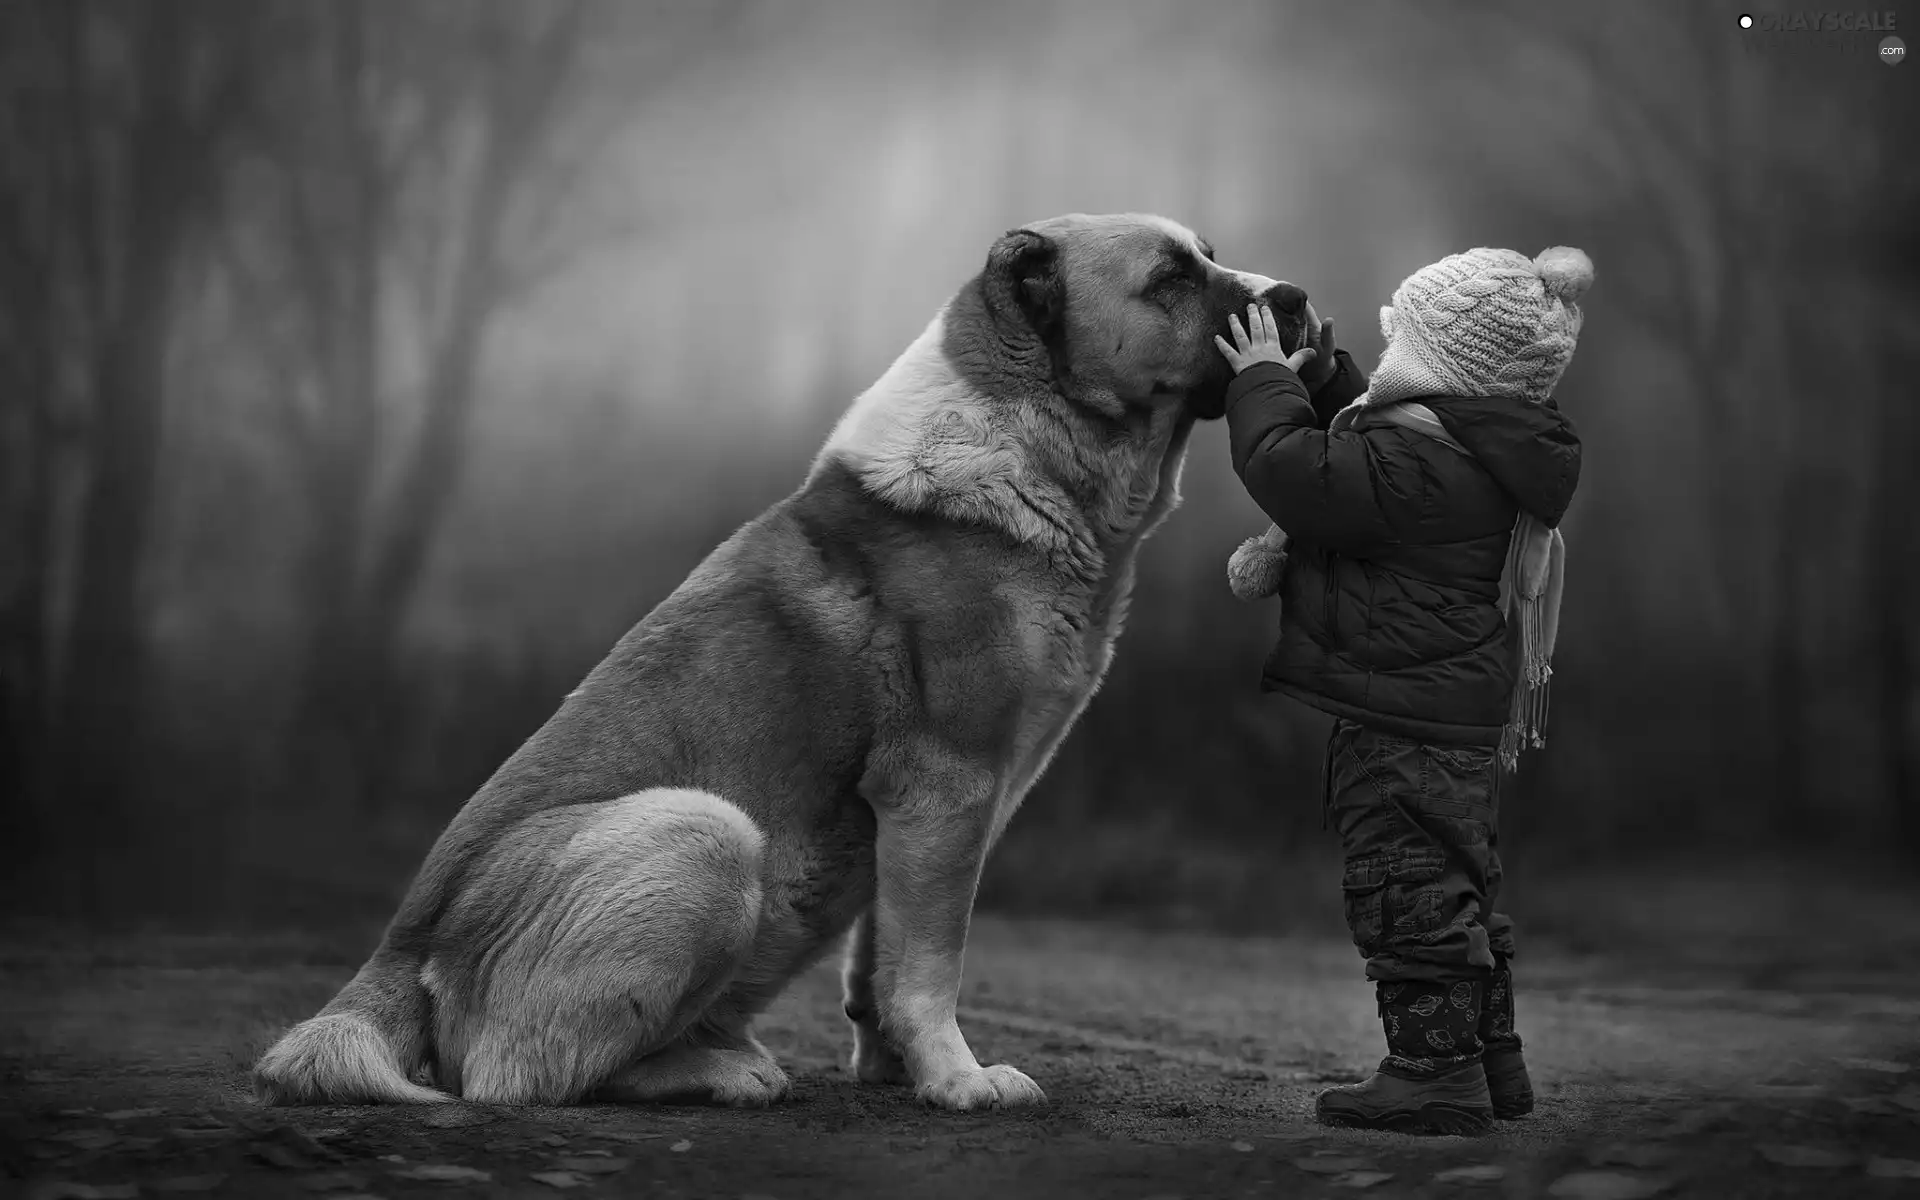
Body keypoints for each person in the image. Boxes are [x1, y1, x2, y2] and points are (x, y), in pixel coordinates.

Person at [1212, 246, 1592, 1135]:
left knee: (1405, 887)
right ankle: (1492, 1063)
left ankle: (1433, 1075)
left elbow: (1289, 466)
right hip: (1448, 713)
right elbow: (1368, 432)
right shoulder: (1469, 448)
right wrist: (1325, 376)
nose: (1385, 362)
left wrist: (1262, 383)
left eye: (1400, 343)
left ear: (1440, 364)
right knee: (1456, 883)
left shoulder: (1416, 468)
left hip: (1401, 718)